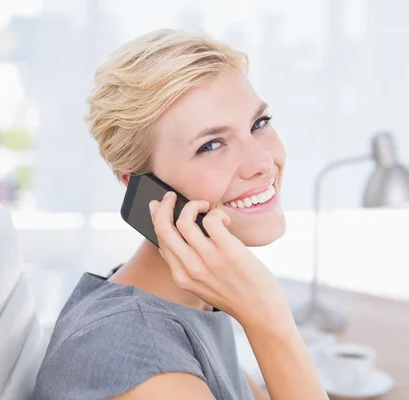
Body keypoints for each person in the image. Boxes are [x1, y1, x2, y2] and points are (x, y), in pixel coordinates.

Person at [33, 29, 328, 399]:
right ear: (139, 186)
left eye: (259, 124)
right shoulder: (143, 364)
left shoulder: (192, 300)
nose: (262, 163)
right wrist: (271, 321)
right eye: (211, 145)